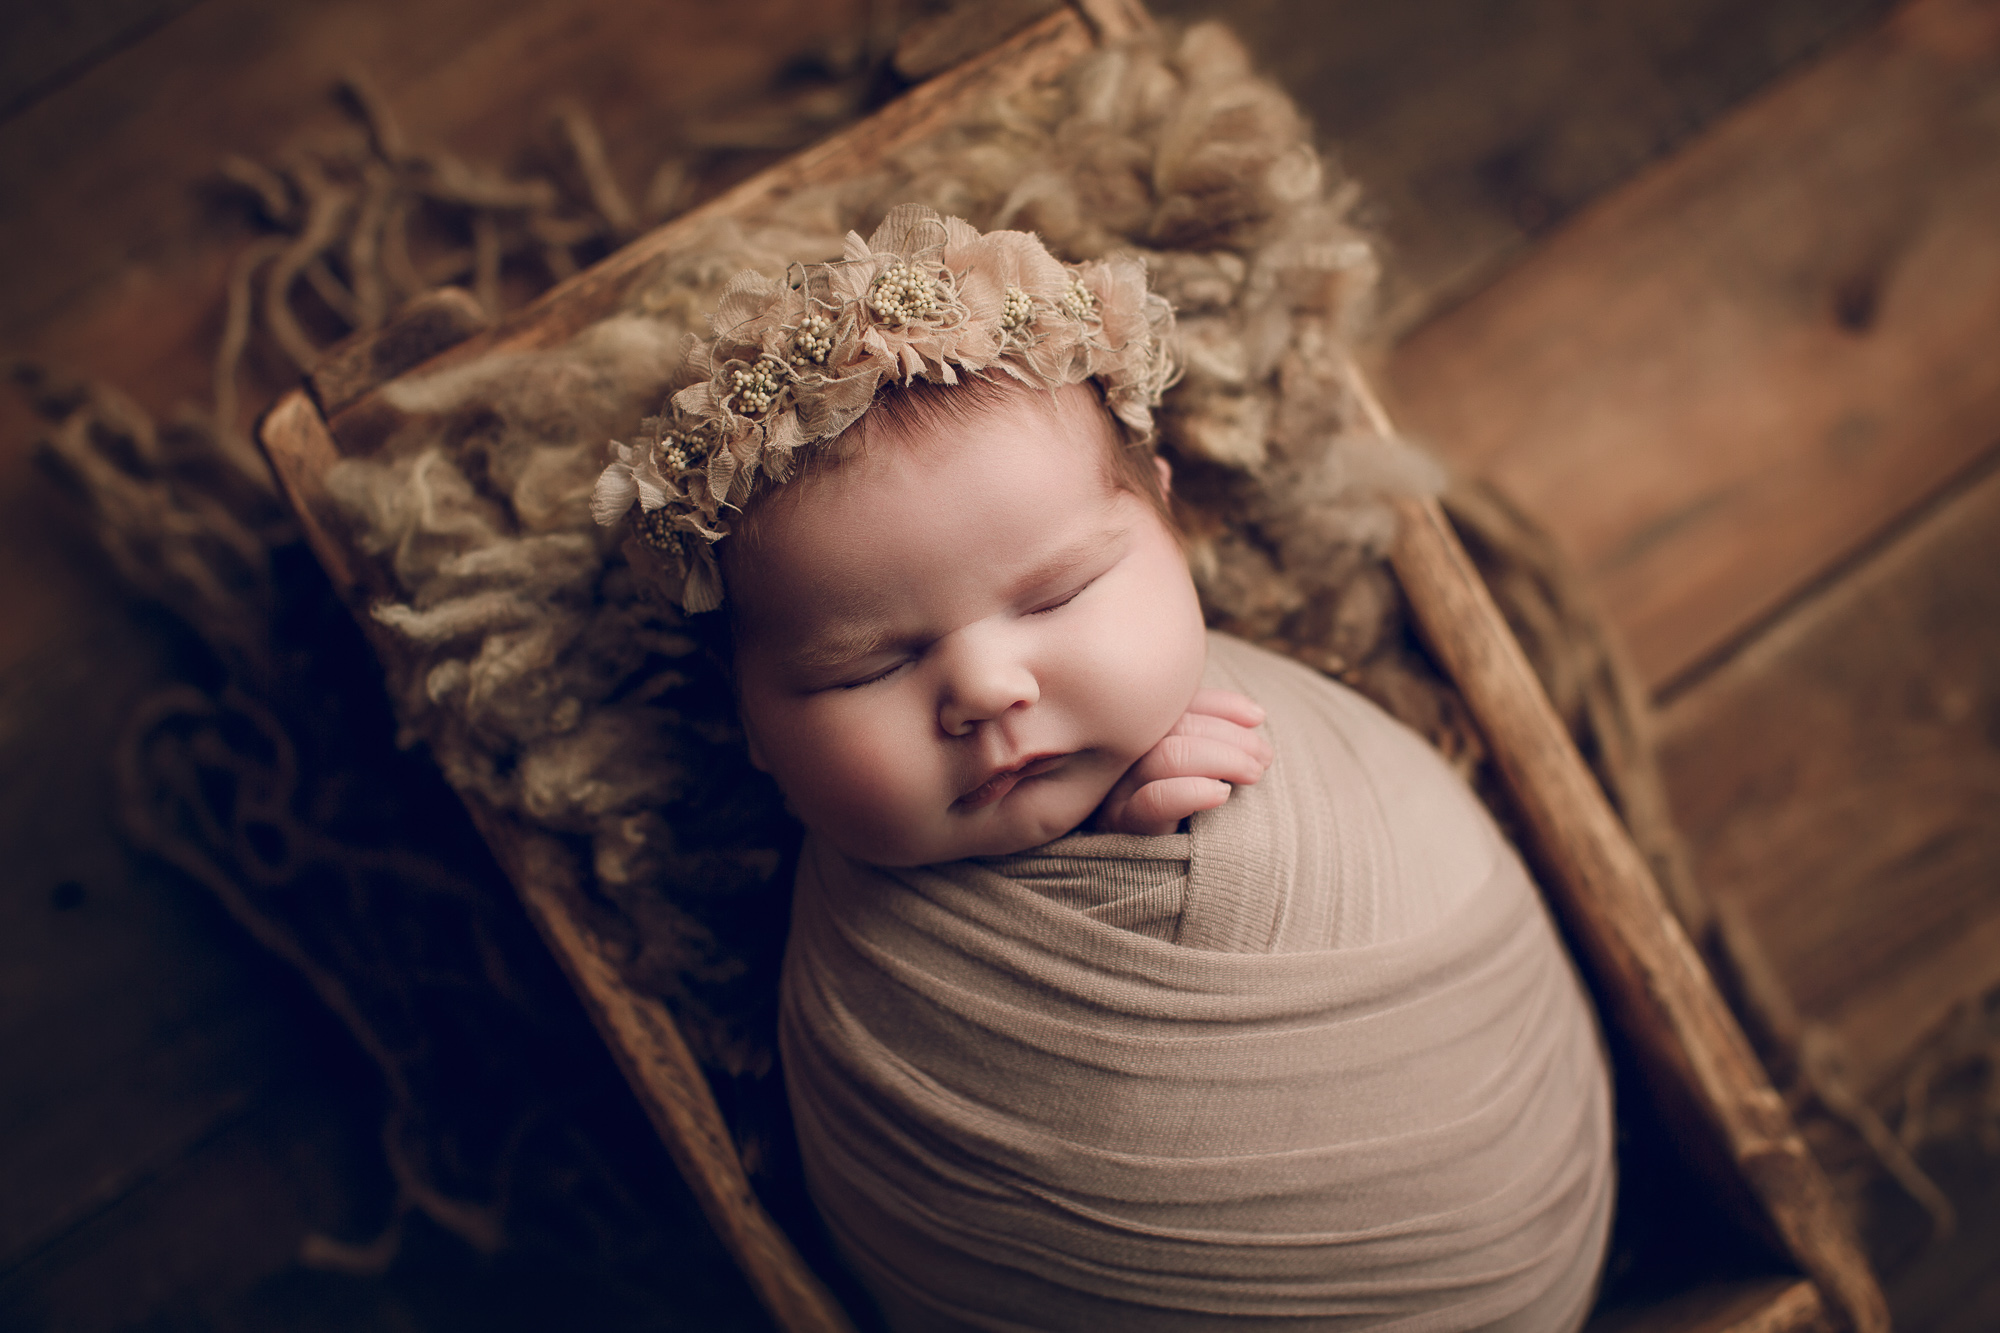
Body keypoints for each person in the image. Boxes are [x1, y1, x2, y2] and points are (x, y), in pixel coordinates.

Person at [594, 205, 1614, 1331]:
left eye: (1057, 596)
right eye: (862, 668)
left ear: (1171, 525)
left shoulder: (1301, 756)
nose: (985, 688)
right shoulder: (852, 978)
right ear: (749, 727)